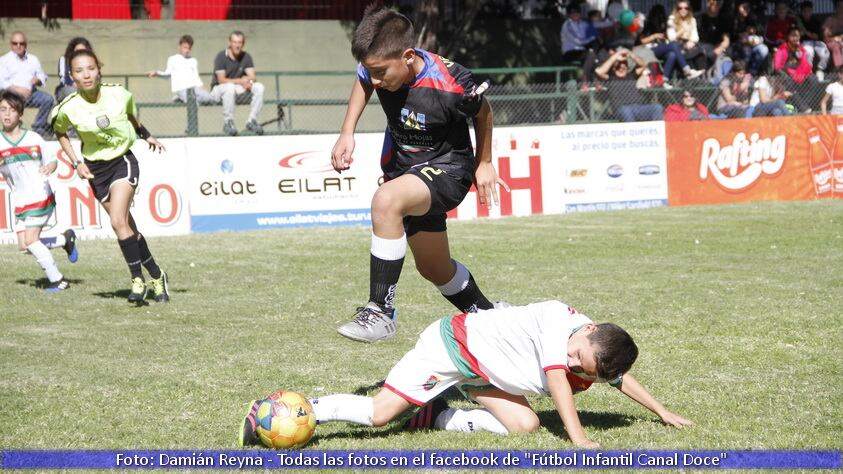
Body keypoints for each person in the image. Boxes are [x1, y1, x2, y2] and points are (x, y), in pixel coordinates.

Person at [240, 300, 692, 448]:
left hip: (483, 374)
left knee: (526, 424)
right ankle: (288, 410)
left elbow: (619, 377)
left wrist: (663, 412)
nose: (575, 367)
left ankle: (431, 416)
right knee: (380, 415)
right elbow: (558, 383)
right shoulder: (560, 322)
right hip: (451, 347)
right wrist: (579, 441)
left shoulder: (597, 351)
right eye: (578, 357)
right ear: (588, 329)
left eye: (585, 372)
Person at [329, 5, 508, 343]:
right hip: (405, 170)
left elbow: (483, 113)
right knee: (434, 268)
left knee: (386, 201)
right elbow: (364, 79)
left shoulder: (452, 82)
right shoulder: (379, 63)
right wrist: (346, 131)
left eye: (382, 72)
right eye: (372, 72)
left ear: (408, 56)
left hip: (448, 169)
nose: (377, 80)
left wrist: (484, 163)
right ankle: (491, 317)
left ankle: (380, 312)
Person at [49, 49, 170, 303]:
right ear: (72, 77)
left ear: (99, 69)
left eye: (91, 68)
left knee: (117, 221)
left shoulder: (119, 94)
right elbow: (60, 132)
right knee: (129, 229)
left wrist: (146, 135)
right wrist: (75, 163)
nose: (86, 74)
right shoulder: (68, 108)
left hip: (122, 161)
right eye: (79, 71)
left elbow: (130, 117)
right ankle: (157, 276)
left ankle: (137, 281)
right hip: (95, 171)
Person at [0, 90, 78, 292]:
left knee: (31, 240)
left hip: (39, 195)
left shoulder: (34, 138)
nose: (6, 114)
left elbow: (52, 161)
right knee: (25, 246)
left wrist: (49, 168)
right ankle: (64, 240)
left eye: (11, 110)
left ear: (20, 114)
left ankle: (58, 280)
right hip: (20, 200)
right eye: (2, 109)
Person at [209, 31, 264, 136]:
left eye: (240, 42)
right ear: (229, 42)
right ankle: (228, 123)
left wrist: (249, 82)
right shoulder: (221, 56)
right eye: (234, 42)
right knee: (229, 87)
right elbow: (221, 80)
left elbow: (252, 77)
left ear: (243, 44)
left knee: (259, 87)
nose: (237, 45)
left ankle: (251, 121)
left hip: (236, 88)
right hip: (218, 90)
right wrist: (241, 81)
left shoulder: (246, 57)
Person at [0, 32, 54, 138]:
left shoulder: (33, 59)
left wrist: (37, 80)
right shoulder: (4, 60)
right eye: (15, 43)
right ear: (11, 44)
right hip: (11, 95)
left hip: (31, 94)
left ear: (26, 44)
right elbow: (2, 82)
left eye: (21, 43)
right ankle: (10, 128)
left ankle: (39, 126)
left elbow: (42, 75)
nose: (18, 46)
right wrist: (17, 89)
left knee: (48, 99)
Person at [637, 4, 704, 81]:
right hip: (648, 50)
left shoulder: (664, 24)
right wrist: (654, 36)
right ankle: (687, 70)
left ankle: (664, 80)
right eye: (658, 14)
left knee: (672, 54)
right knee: (673, 46)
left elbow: (668, 38)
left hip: (660, 48)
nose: (660, 17)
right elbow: (641, 41)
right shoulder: (647, 24)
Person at [595, 48, 664, 121]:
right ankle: (634, 131)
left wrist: (630, 54)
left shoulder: (631, 76)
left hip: (638, 107)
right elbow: (599, 71)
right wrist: (615, 56)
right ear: (614, 69)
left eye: (624, 66)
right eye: (619, 67)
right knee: (626, 111)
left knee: (657, 107)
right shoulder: (610, 78)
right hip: (622, 109)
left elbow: (643, 65)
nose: (621, 68)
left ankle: (656, 131)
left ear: (627, 68)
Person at [146, 34, 213, 105]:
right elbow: (167, 75)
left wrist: (203, 89)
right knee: (194, 103)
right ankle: (181, 97)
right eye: (185, 48)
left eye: (189, 48)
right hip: (181, 89)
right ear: (179, 47)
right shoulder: (172, 59)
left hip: (194, 88)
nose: (187, 50)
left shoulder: (193, 60)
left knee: (209, 99)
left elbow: (196, 78)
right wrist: (156, 73)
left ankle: (180, 99)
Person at [773, 27, 821, 112]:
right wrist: (790, 74)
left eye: (797, 36)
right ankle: (803, 108)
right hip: (787, 75)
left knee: (814, 79)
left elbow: (805, 65)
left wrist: (804, 74)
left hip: (800, 75)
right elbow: (777, 67)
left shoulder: (801, 49)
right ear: (788, 36)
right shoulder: (782, 49)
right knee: (788, 81)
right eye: (793, 35)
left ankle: (802, 106)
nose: (795, 38)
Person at [729, 1, 769, 76]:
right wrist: (740, 36)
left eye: (748, 8)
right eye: (743, 7)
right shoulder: (733, 19)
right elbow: (731, 36)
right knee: (746, 50)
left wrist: (754, 30)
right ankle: (743, 73)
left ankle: (751, 73)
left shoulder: (751, 18)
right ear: (738, 7)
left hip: (752, 44)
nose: (746, 10)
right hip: (737, 45)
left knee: (763, 49)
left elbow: (760, 31)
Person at [667, 0, 710, 70]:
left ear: (688, 9)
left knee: (700, 53)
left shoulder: (692, 20)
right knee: (687, 54)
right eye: (680, 8)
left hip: (689, 43)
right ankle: (690, 75)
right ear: (677, 9)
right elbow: (671, 38)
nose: (683, 10)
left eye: (686, 8)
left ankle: (702, 75)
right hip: (676, 44)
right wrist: (682, 30)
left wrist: (691, 42)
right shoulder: (671, 19)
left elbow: (695, 36)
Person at [796, 1, 829, 80]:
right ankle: (808, 71)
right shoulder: (798, 21)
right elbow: (795, 35)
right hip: (804, 43)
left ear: (811, 11)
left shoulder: (816, 21)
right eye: (804, 11)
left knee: (825, 52)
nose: (806, 13)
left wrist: (816, 36)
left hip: (817, 43)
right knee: (808, 52)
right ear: (801, 12)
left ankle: (820, 69)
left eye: (808, 11)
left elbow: (820, 35)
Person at [55, 37, 92, 103]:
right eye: (77, 50)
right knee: (74, 93)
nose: (80, 53)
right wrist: (74, 83)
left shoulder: (91, 61)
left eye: (82, 50)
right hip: (67, 88)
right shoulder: (64, 59)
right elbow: (63, 78)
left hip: (85, 88)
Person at [823, 0, 843, 71]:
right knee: (836, 46)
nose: (841, 9)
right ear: (835, 8)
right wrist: (834, 38)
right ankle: (839, 70)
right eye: (839, 7)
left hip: (841, 41)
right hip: (831, 42)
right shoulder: (829, 20)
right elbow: (825, 36)